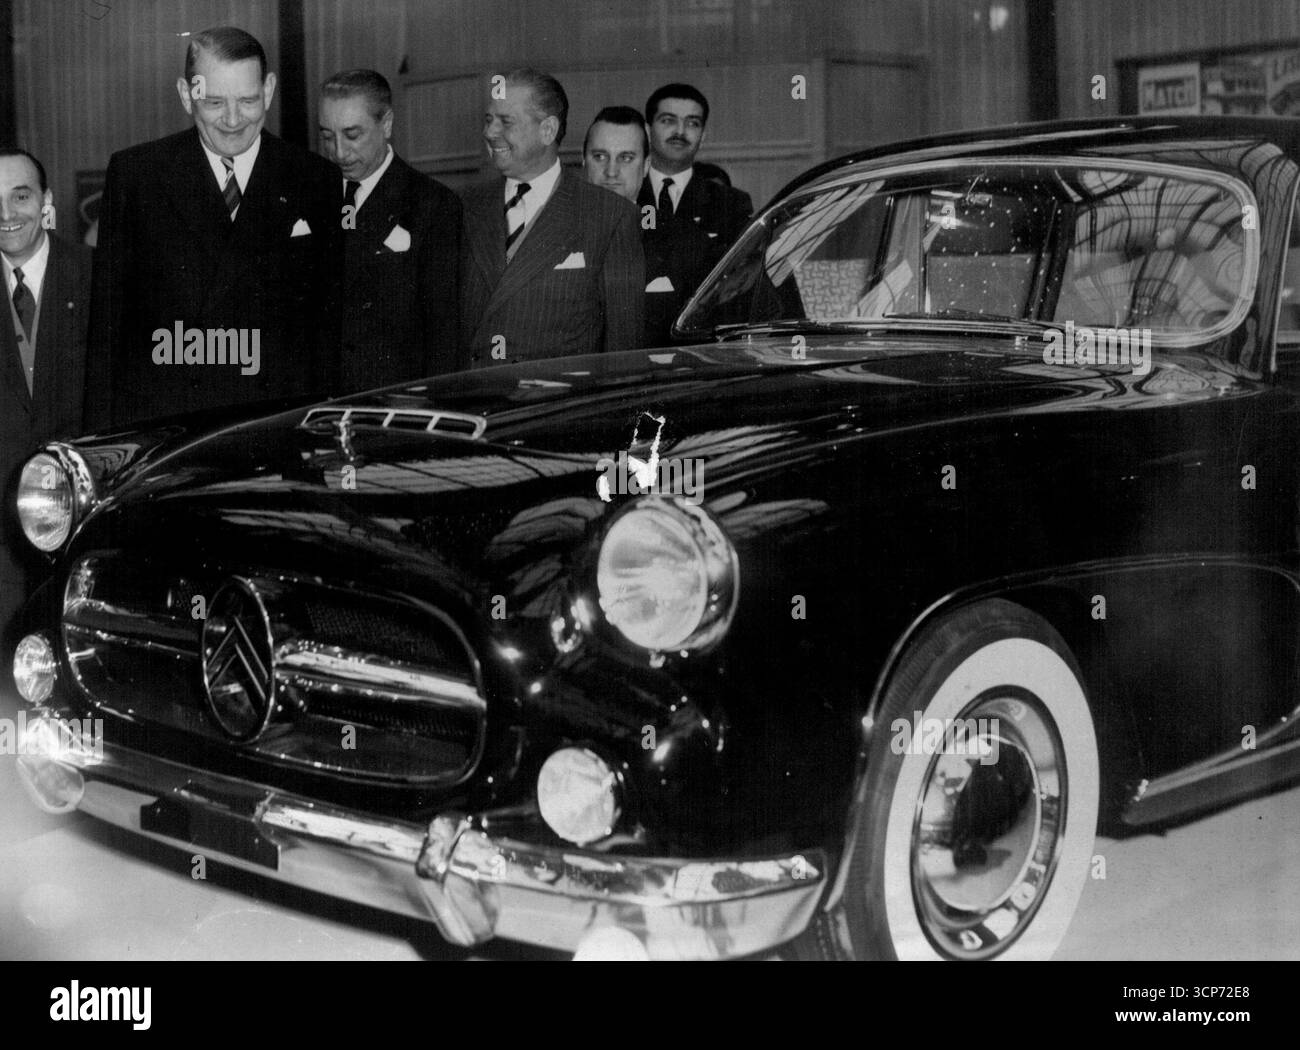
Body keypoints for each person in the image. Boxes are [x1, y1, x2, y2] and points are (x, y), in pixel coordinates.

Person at [86, 25, 341, 430]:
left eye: (248, 100)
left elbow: (328, 334)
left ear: (270, 90)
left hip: (276, 424)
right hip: (169, 424)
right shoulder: (138, 176)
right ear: (187, 95)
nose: (234, 120)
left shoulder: (315, 179)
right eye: (215, 102)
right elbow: (107, 331)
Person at [458, 69, 643, 368]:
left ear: (547, 130)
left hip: (556, 405)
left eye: (506, 122)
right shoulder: (462, 207)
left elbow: (623, 350)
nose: (490, 132)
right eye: (489, 120)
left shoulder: (610, 217)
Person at [0, 148, 92, 660]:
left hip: (81, 525)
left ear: (47, 202)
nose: (7, 215)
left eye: (21, 196)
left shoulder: (97, 276)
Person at [320, 69, 461, 389]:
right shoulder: (311, 197)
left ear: (386, 124)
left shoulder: (433, 204)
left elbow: (443, 333)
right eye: (328, 136)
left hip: (394, 404)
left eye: (352, 135)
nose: (339, 152)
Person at [583, 105, 712, 345]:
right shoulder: (554, 235)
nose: (611, 171)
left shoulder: (686, 241)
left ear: (645, 166)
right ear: (584, 162)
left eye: (626, 158)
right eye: (600, 156)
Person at [639, 82, 754, 268]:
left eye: (692, 123)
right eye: (668, 120)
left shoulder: (730, 203)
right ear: (647, 130)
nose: (680, 131)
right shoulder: (626, 194)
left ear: (702, 136)